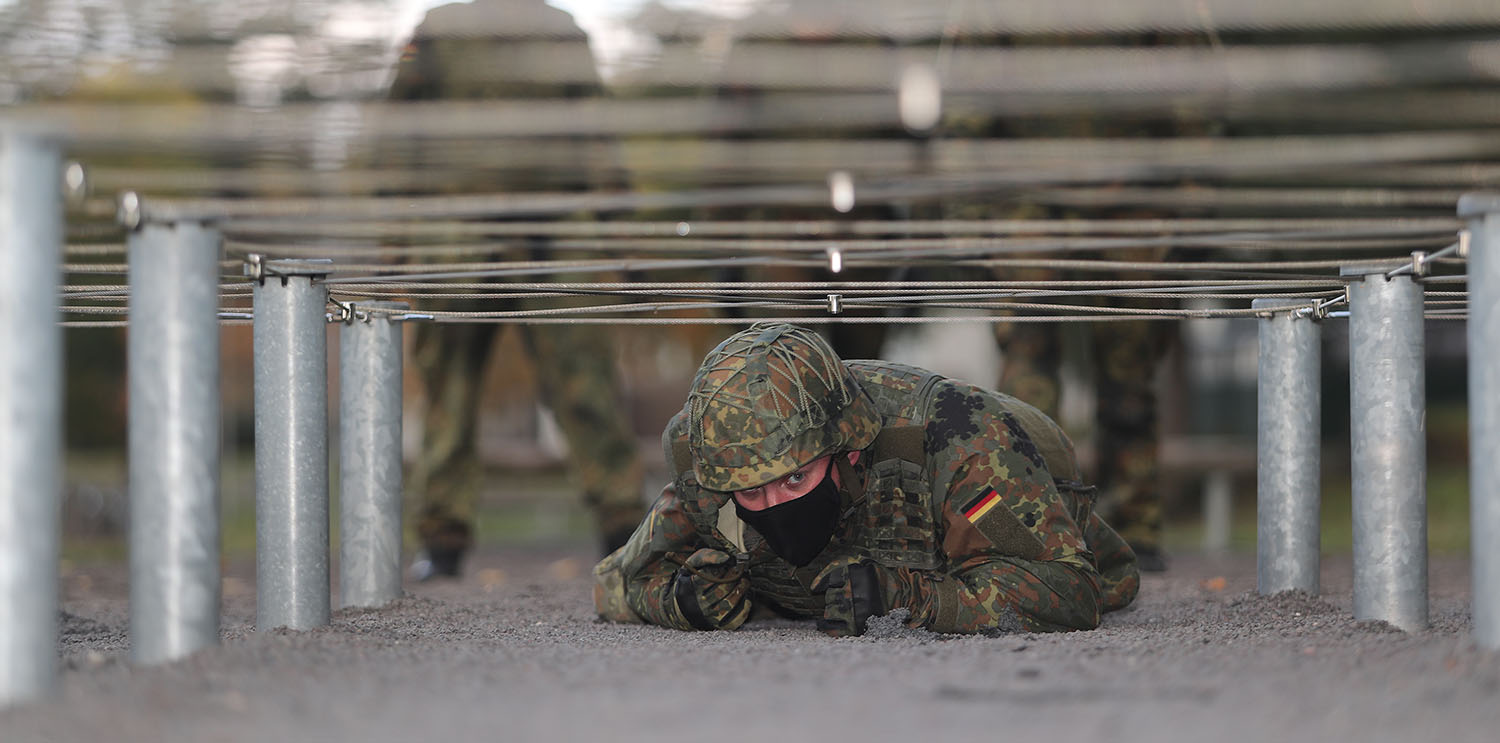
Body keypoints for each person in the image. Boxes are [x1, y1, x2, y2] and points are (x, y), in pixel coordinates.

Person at [594, 323, 1139, 636]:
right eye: (752, 491)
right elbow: (616, 581)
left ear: (847, 453)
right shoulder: (715, 462)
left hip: (1023, 463)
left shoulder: (956, 446)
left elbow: (1069, 590)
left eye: (795, 479)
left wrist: (911, 597)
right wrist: (682, 602)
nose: (773, 502)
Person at [391, 0, 646, 578]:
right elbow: (397, 133)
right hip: (455, 225)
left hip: (555, 226)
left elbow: (596, 132)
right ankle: (441, 536)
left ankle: (625, 528)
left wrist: (619, 232)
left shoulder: (561, 31)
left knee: (587, 384)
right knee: (447, 393)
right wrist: (396, 235)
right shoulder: (438, 32)